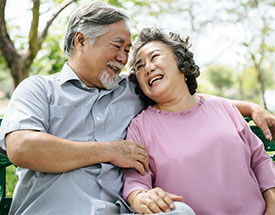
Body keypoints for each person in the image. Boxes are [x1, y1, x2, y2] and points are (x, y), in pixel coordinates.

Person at [0, 2, 274, 214]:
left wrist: (250, 108)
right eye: (118, 47)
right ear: (81, 41)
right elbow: (22, 147)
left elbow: (186, 99)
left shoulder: (131, 90)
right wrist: (110, 151)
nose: (124, 59)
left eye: (127, 50)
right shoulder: (37, 89)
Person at [122, 27, 275, 215]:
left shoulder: (223, 107)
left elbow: (260, 161)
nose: (148, 67)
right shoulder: (140, 127)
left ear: (180, 62)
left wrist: (272, 206)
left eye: (155, 57)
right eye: (139, 66)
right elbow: (135, 182)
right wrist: (139, 197)